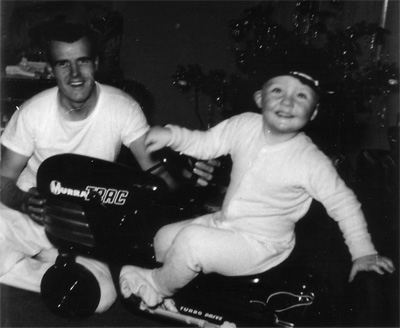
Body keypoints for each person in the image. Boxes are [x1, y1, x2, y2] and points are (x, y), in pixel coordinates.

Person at [119, 70, 395, 309]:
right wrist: (172, 135)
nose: (287, 101)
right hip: (226, 222)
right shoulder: (244, 125)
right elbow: (207, 143)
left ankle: (158, 286)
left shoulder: (311, 161)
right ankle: (177, 280)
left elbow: (344, 203)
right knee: (165, 238)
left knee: (191, 242)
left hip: (262, 246)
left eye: (302, 96)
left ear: (314, 111)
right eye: (278, 90)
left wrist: (364, 252)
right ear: (260, 99)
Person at [0, 23, 217, 313]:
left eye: (83, 61)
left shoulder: (122, 107)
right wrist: (25, 202)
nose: (74, 75)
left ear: (97, 64)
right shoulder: (33, 113)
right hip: (32, 211)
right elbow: (4, 180)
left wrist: (191, 181)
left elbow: (154, 171)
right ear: (52, 70)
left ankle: (36, 267)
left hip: (86, 223)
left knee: (100, 297)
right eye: (64, 64)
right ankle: (39, 264)